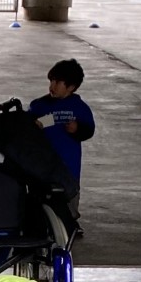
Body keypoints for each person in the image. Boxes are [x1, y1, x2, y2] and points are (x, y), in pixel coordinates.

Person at [28, 59, 95, 231]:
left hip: (68, 164)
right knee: (41, 192)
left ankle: (70, 222)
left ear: (71, 87)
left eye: (57, 82)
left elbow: (89, 130)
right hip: (43, 162)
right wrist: (34, 125)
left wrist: (77, 129)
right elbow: (27, 126)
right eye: (51, 81)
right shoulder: (39, 105)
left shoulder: (79, 108)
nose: (52, 86)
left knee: (69, 193)